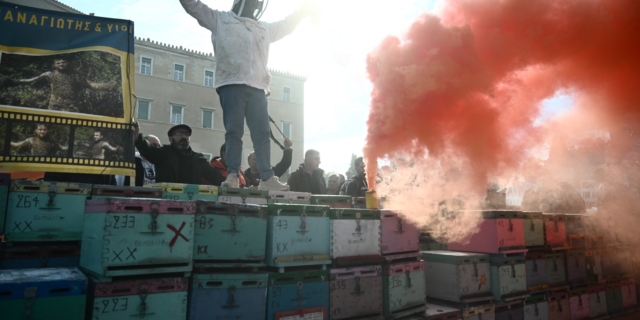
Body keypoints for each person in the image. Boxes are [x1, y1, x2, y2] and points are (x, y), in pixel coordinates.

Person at [179, 0, 313, 191]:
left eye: (257, 4)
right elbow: (193, 6)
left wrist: (302, 11)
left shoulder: (263, 28)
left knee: (262, 134)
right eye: (252, 2)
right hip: (231, 83)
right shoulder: (220, 19)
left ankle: (267, 178)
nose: (255, 6)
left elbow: (286, 25)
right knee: (234, 132)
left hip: (258, 87)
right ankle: (233, 174)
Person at [4, 58, 117, 113]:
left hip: (71, 107)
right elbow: (30, 80)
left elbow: (91, 85)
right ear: (54, 65)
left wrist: (107, 85)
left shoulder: (75, 75)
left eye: (63, 62)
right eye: (58, 63)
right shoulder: (50, 74)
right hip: (54, 105)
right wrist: (14, 80)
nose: (61, 64)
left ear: (68, 63)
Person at [133, 122, 225, 185]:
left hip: (191, 205)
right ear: (170, 139)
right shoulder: (163, 153)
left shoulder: (198, 159)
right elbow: (148, 150)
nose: (183, 136)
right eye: (179, 133)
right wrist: (137, 137)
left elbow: (216, 177)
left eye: (186, 134)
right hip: (166, 203)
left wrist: (232, 184)